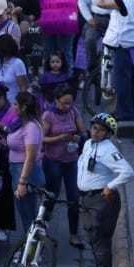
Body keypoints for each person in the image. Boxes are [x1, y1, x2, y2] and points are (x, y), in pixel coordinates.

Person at [77, 112, 134, 267]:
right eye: (94, 128)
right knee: (94, 240)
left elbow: (127, 171)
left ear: (108, 134)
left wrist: (110, 186)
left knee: (100, 242)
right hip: (88, 199)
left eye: (101, 131)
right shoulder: (88, 144)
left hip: (102, 201)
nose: (96, 132)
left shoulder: (108, 150)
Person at [41, 86, 86, 248]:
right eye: (63, 104)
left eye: (69, 103)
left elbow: (83, 132)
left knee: (73, 197)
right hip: (53, 160)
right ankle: (41, 230)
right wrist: (60, 137)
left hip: (71, 160)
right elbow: (41, 139)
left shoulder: (73, 112)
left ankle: (74, 234)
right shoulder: (48, 115)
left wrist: (77, 138)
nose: (67, 107)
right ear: (56, 101)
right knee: (51, 196)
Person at [8, 90, 46, 233]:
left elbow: (30, 156)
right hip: (18, 170)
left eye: (15, 104)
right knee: (25, 213)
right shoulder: (21, 123)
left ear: (23, 107)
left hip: (25, 173)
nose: (13, 107)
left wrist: (22, 182)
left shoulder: (31, 128)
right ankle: (29, 248)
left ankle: (32, 251)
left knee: (28, 214)